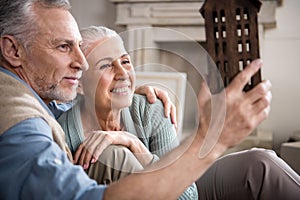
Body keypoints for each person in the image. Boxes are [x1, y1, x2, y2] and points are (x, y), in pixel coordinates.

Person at [0, 0, 299, 200]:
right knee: (118, 156)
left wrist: (125, 96)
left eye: (127, 62)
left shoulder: (145, 106)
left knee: (261, 162)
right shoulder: (29, 121)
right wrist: (212, 137)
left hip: (182, 182)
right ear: (13, 50)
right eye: (64, 47)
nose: (79, 62)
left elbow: (189, 191)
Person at [58, 26, 198, 199]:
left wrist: (135, 145)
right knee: (114, 155)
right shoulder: (62, 134)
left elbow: (189, 196)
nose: (123, 74)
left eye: (125, 62)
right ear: (79, 84)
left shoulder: (151, 109)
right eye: (106, 65)